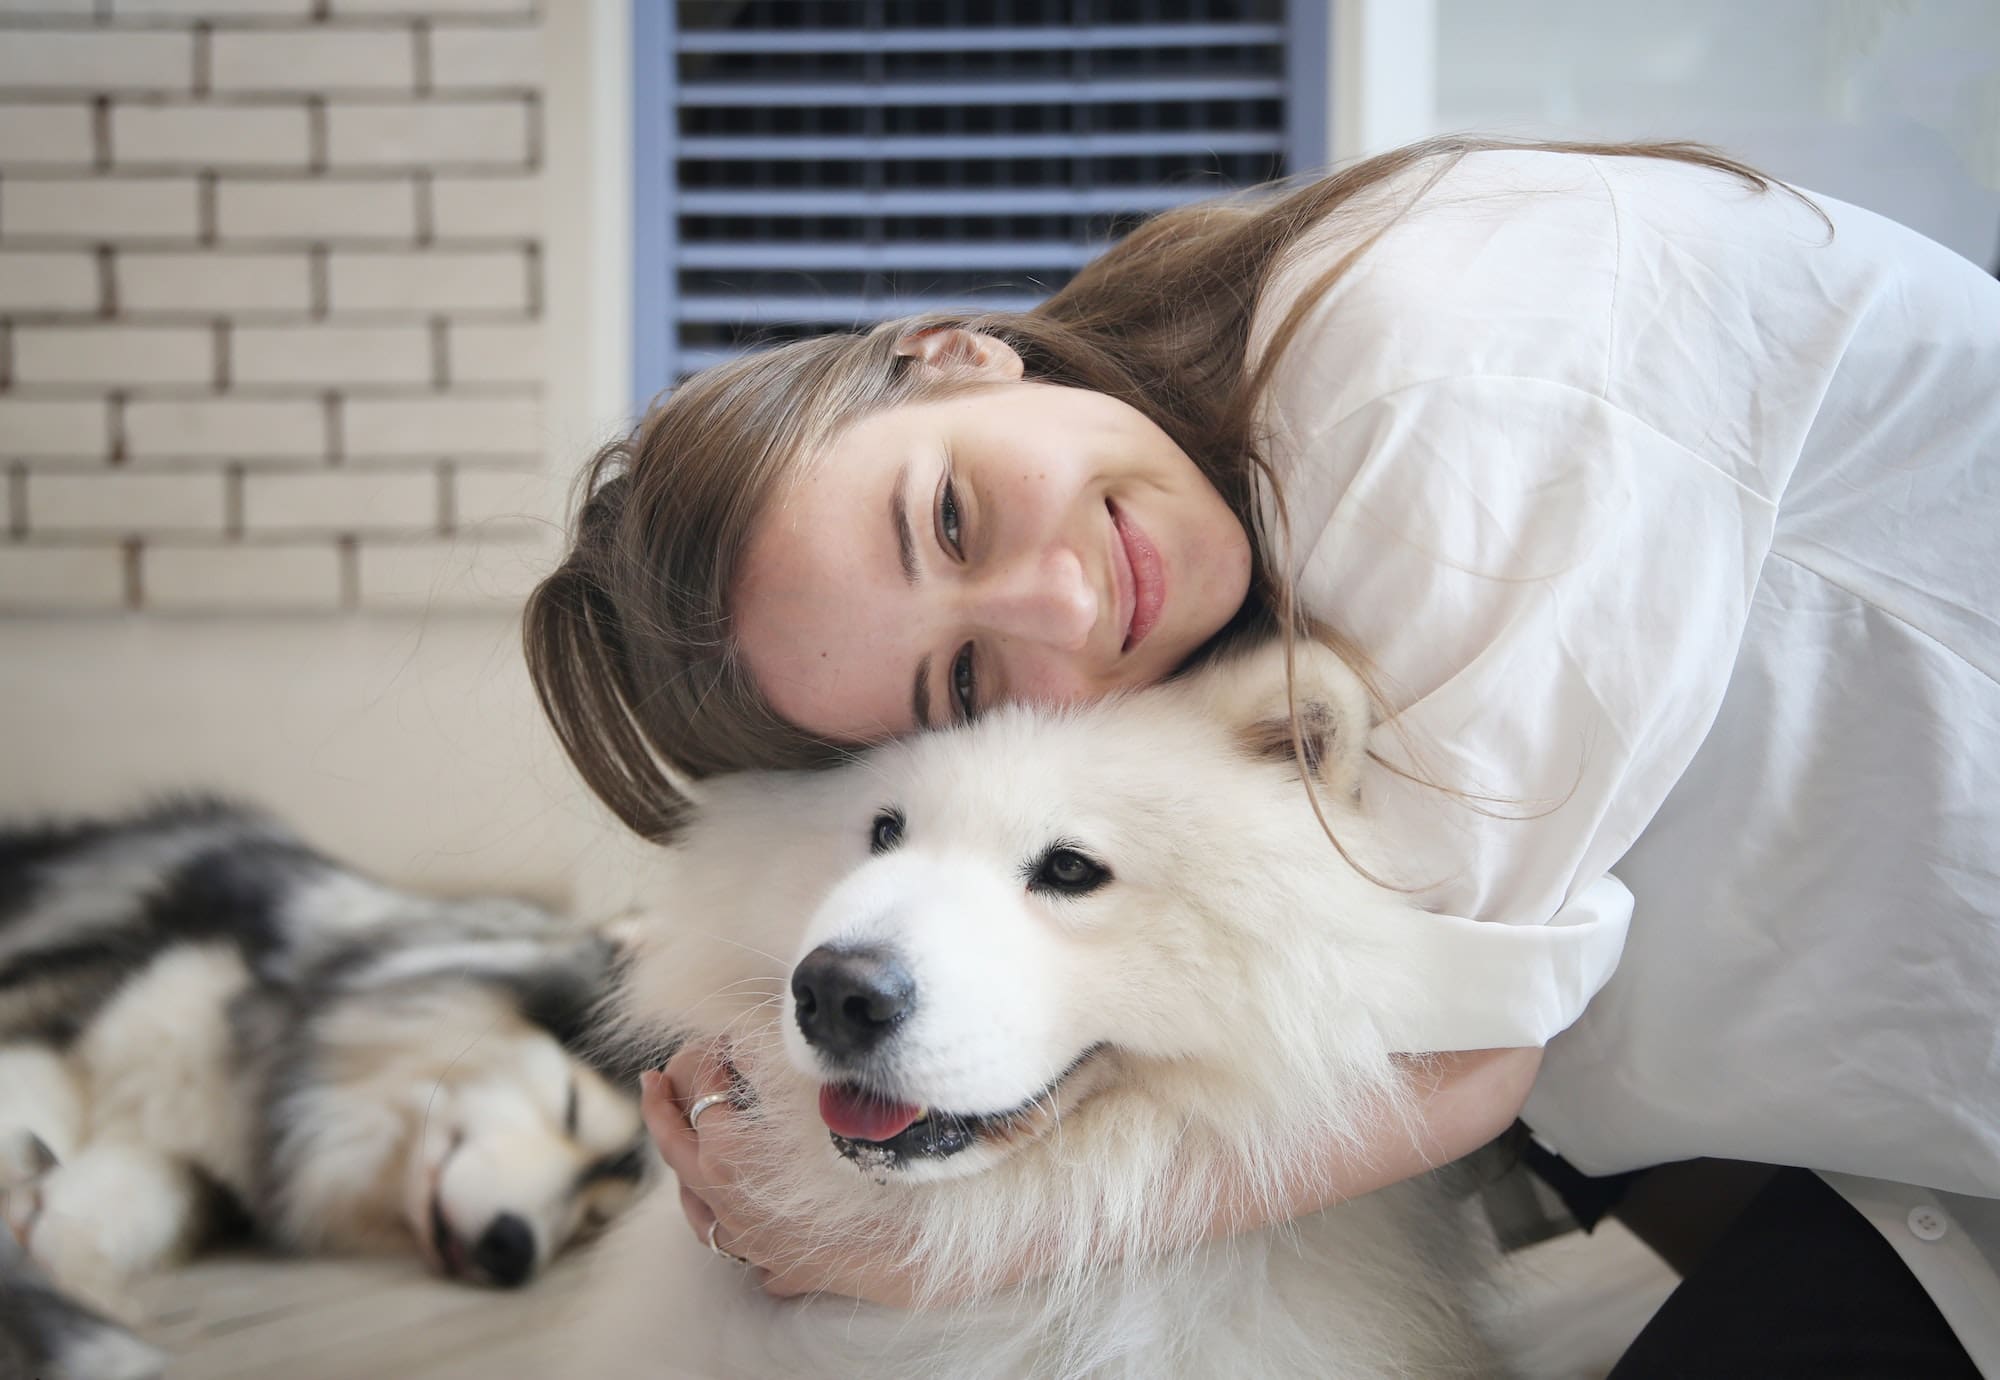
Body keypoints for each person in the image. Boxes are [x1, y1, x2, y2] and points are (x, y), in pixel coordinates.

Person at [524, 136, 2000, 1372]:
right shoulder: (1215, 515)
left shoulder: (1430, 380)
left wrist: (898, 1252)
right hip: (1874, 1111)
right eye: (966, 679)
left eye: (953, 518)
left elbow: (1462, 1039)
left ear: (955, 356)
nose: (1062, 604)